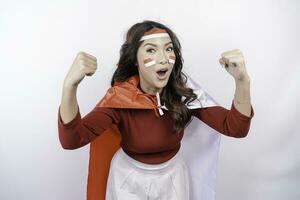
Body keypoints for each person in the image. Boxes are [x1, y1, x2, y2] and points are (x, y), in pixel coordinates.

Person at [58, 20, 254, 200]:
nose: (163, 59)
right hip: (128, 180)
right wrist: (69, 86)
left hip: (173, 179)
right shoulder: (121, 97)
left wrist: (242, 81)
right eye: (151, 50)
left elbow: (235, 128)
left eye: (168, 49)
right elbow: (72, 139)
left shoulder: (184, 93)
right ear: (134, 59)